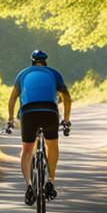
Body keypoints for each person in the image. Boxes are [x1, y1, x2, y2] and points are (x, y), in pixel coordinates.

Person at [5, 50, 72, 205]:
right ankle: (50, 180)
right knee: (52, 145)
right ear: (45, 62)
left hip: (29, 113)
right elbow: (67, 98)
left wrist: (10, 119)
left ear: (32, 61)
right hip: (49, 111)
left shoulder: (23, 74)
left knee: (27, 149)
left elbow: (12, 98)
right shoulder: (54, 73)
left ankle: (29, 185)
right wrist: (66, 120)